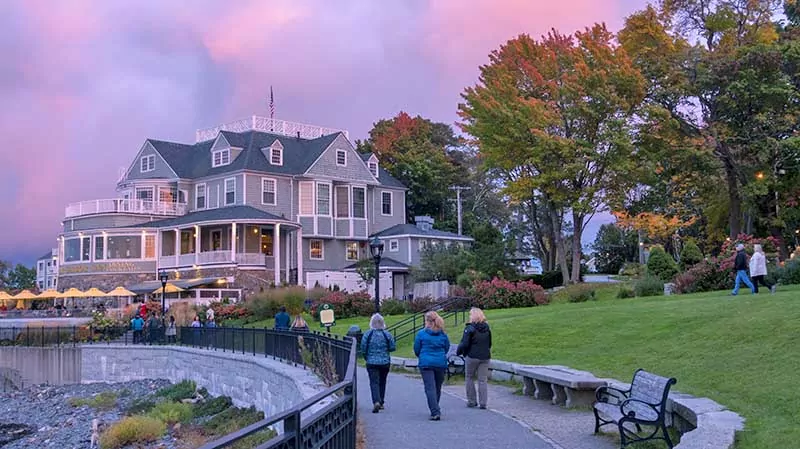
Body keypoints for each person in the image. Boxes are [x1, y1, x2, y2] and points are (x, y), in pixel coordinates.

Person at [413, 311, 450, 421]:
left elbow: (417, 349)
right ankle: (435, 407)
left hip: (426, 363)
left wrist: (422, 356)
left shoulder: (421, 334)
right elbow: (446, 348)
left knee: (430, 388)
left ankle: (435, 411)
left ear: (427, 321)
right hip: (440, 363)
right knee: (437, 387)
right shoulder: (443, 334)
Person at [457, 307, 492, 409]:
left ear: (473, 316)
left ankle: (472, 401)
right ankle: (483, 403)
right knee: (482, 380)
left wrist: (460, 352)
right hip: (485, 356)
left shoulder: (469, 328)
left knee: (469, 377)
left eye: (470, 314)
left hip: (472, 356)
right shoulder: (487, 328)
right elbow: (489, 343)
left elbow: (464, 343)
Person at [361, 314, 396, 413]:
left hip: (371, 361)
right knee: (382, 381)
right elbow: (392, 347)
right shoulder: (387, 334)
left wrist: (366, 357)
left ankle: (376, 400)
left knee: (374, 382)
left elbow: (363, 348)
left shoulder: (368, 334)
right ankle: (381, 402)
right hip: (385, 362)